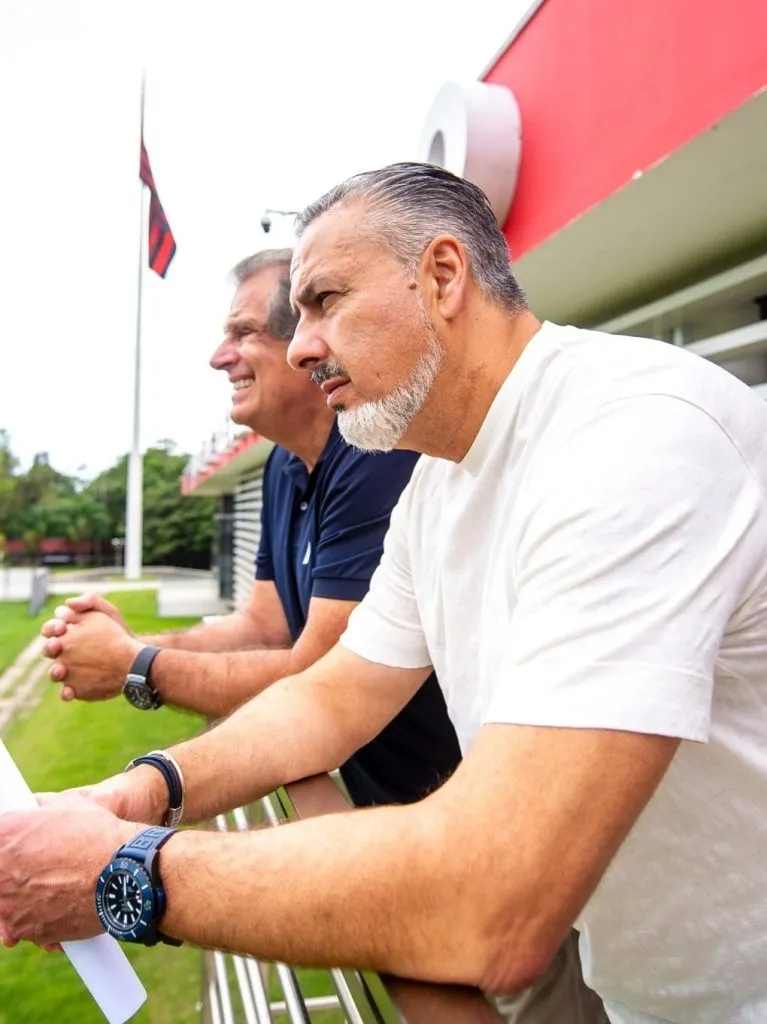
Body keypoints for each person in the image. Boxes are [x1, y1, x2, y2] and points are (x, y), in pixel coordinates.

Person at [2, 162, 765, 1024]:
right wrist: (142, 790)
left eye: (324, 301)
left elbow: (491, 899)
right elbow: (334, 695)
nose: (299, 345)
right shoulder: (437, 481)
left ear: (442, 276)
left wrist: (121, 872)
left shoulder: (637, 437)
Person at [41, 247, 460, 809]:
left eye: (243, 333)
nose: (220, 358)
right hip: (377, 799)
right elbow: (264, 624)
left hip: (447, 809)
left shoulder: (375, 456)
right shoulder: (283, 465)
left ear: (307, 344)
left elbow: (315, 672)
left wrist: (133, 666)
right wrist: (132, 645)